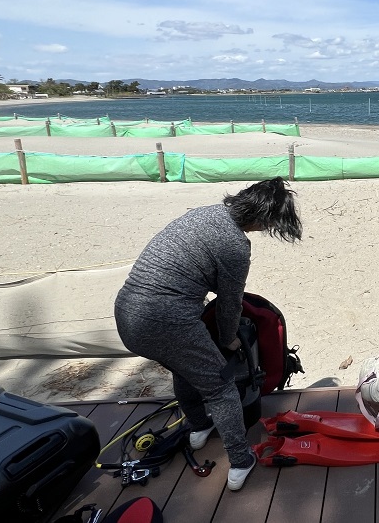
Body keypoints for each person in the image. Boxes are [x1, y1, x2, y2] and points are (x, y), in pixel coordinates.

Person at [114, 178, 302, 491]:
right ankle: (241, 461)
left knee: (185, 368)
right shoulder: (236, 246)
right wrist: (229, 338)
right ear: (263, 219)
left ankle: (199, 428)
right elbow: (229, 305)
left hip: (127, 316)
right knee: (221, 387)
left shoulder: (202, 214)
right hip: (165, 320)